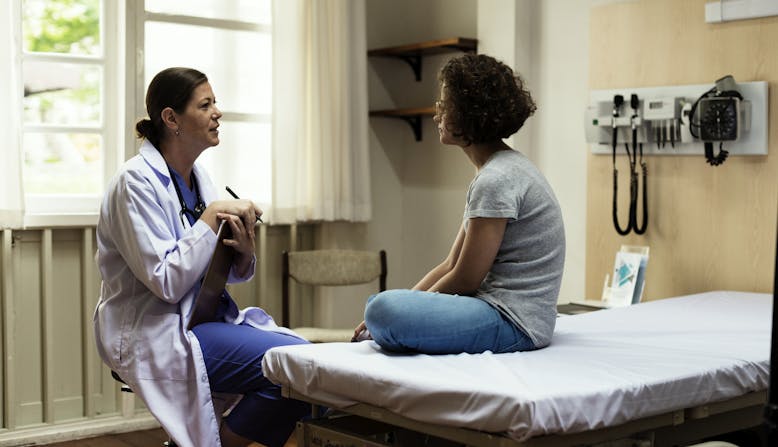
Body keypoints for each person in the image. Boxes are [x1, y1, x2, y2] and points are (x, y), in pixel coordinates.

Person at [93, 67, 309, 447]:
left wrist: (242, 252)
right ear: (171, 118)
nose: (218, 113)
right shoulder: (134, 183)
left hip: (197, 318)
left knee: (304, 363)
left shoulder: (200, 178)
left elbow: (221, 274)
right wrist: (210, 219)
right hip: (151, 329)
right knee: (295, 366)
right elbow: (167, 282)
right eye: (205, 104)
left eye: (215, 103)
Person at [354, 54, 566, 354]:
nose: (436, 114)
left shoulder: (496, 179)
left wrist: (402, 309)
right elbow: (452, 264)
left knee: (382, 310)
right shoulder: (497, 171)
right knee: (382, 306)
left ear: (469, 114)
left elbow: (467, 279)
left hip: (515, 321)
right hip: (505, 312)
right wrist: (410, 301)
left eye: (444, 104)